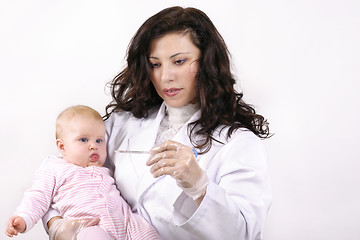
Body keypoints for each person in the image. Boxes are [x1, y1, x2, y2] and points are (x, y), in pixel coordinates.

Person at [45, 6, 272, 240]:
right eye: (155, 64)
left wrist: (199, 186)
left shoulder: (238, 143)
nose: (166, 77)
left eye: (179, 61)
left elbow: (244, 233)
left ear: (207, 62)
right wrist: (56, 224)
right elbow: (62, 177)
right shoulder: (123, 124)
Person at [5, 105, 160, 240]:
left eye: (99, 140)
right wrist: (23, 218)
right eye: (84, 140)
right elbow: (37, 197)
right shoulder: (54, 167)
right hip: (89, 225)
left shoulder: (106, 169)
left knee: (148, 233)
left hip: (127, 222)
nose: (94, 145)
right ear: (62, 146)